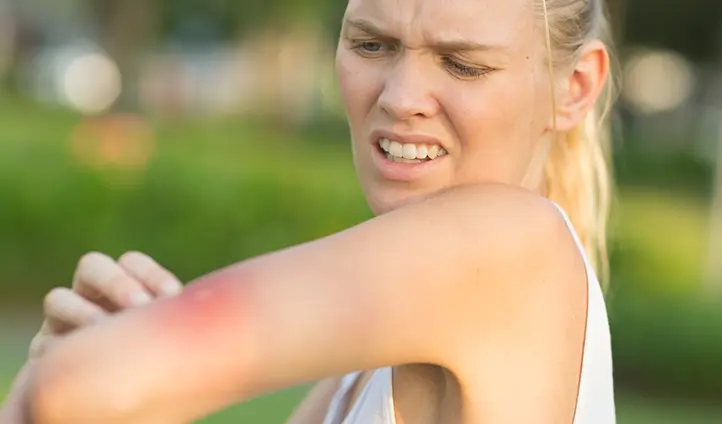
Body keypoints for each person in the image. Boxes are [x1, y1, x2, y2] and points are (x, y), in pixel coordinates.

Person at [0, 0, 617, 422]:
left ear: (576, 88)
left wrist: (69, 376)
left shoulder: (509, 243)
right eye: (371, 44)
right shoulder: (357, 377)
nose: (401, 98)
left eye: (463, 64)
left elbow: (73, 388)